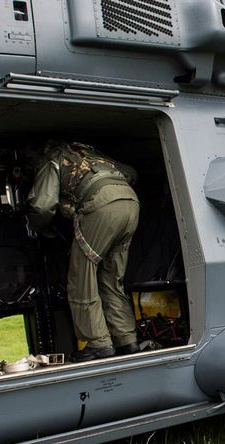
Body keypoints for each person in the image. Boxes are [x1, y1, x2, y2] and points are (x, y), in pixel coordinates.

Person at [27, 141, 140, 362]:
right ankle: (127, 340)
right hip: (130, 203)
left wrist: (40, 227)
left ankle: (98, 344)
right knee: (111, 278)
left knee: (82, 276)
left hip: (101, 206)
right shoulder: (91, 153)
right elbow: (131, 173)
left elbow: (42, 205)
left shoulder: (52, 158)